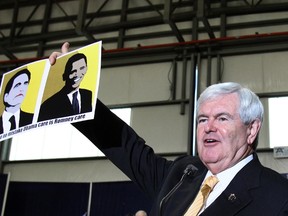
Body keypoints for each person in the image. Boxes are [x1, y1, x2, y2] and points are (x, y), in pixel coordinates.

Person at [51, 43, 288, 216]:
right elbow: (126, 147)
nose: (208, 127)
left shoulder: (278, 197)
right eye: (202, 119)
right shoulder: (182, 172)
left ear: (252, 129)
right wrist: (73, 93)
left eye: (222, 118)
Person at [38, 52, 92, 121]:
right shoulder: (48, 105)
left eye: (82, 68)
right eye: (73, 71)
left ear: (86, 68)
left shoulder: (87, 95)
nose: (78, 74)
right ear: (65, 76)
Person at [0, 69, 33, 133]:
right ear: (5, 97)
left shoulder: (32, 118)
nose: (22, 89)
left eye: (26, 83)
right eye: (17, 85)